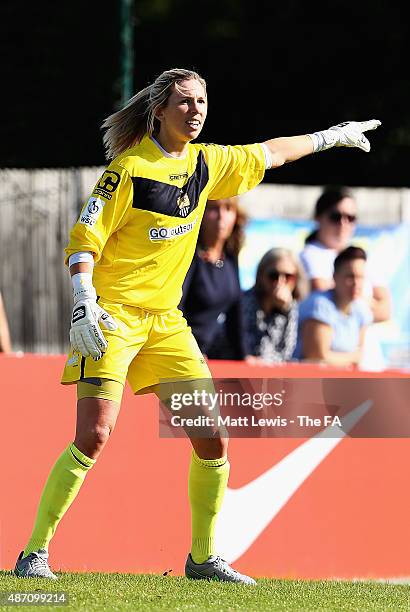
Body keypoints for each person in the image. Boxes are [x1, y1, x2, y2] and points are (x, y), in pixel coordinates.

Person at [14, 67, 381, 583]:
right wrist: (82, 301)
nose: (196, 110)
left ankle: (203, 559)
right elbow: (83, 240)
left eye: (203, 100)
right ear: (159, 110)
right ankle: (34, 555)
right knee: (95, 434)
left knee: (212, 436)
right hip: (112, 318)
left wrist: (331, 136)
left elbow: (271, 151)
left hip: (165, 323)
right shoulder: (129, 169)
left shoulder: (208, 164)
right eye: (184, 102)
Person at [300, 187, 390, 322]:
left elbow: (386, 310)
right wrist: (369, 302)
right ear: (318, 218)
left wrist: (350, 301)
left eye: (351, 218)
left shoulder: (361, 254)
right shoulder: (309, 255)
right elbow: (325, 295)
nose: (343, 223)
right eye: (335, 217)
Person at [180, 196, 247, 359]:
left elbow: (235, 314)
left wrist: (245, 355)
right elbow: (176, 310)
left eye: (228, 209)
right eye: (213, 209)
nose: (221, 216)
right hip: (188, 354)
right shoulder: (189, 256)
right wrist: (190, 352)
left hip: (218, 356)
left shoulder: (230, 257)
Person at [295, 246, 373, 366]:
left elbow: (358, 359)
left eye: (360, 277)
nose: (356, 283)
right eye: (350, 276)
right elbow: (316, 357)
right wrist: (352, 358)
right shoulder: (319, 306)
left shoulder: (361, 311)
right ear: (335, 276)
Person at [243, 248, 306, 364]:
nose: (280, 282)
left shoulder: (291, 307)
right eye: (273, 276)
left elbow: (286, 353)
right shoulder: (245, 302)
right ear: (261, 276)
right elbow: (251, 350)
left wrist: (285, 311)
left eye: (288, 277)